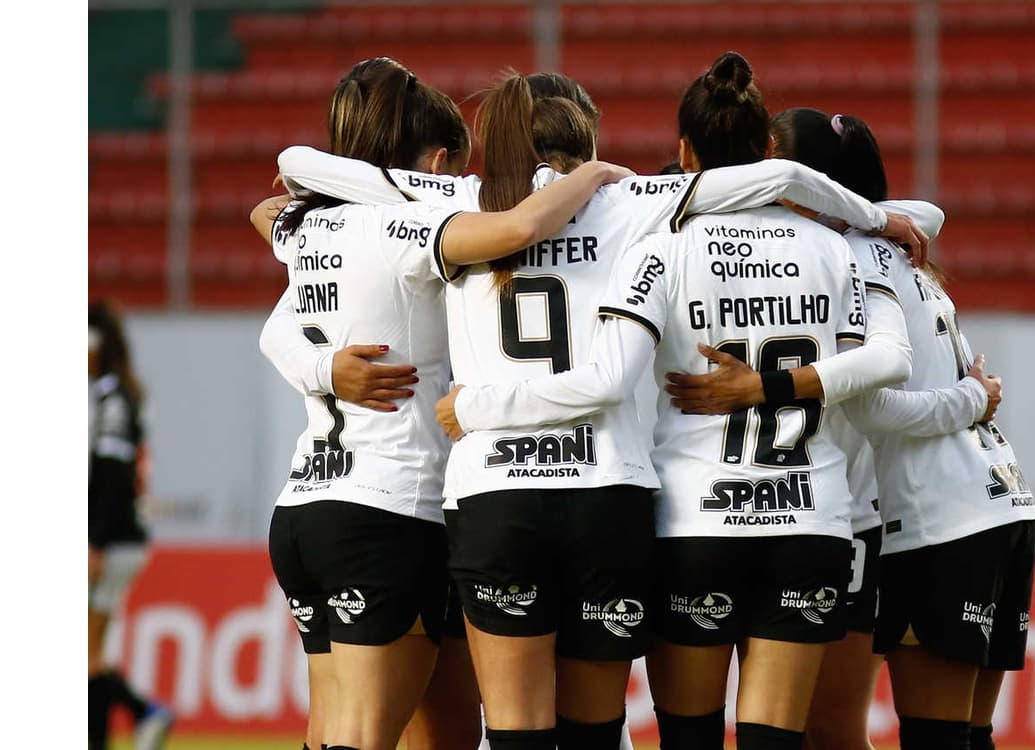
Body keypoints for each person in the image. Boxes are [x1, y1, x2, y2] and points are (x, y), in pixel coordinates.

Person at [262, 64, 926, 750]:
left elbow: (302, 167)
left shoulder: (459, 203)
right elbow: (779, 180)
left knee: (514, 732)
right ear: (590, 137)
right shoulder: (632, 199)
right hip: (607, 493)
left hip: (495, 496)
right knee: (596, 735)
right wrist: (876, 217)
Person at [250, 57, 634, 750]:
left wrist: (321, 368)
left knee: (422, 730)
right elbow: (519, 228)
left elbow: (271, 262)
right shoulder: (410, 230)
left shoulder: (309, 226)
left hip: (309, 501)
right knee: (363, 736)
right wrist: (597, 174)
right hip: (393, 504)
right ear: (436, 159)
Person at [661, 112, 1035, 750]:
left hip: (920, 521)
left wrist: (970, 399)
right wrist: (872, 214)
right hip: (990, 504)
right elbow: (927, 214)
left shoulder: (850, 256)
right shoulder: (885, 242)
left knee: (846, 732)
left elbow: (875, 406)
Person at [88, 300, 173, 750]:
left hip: (111, 538)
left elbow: (112, 471)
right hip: (119, 536)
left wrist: (94, 541)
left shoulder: (111, 398)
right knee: (88, 652)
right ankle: (144, 713)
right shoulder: (121, 393)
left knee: (85, 653)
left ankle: (137, 717)